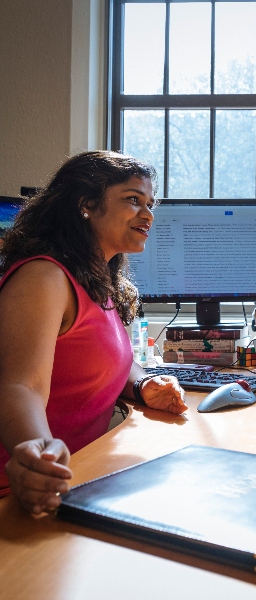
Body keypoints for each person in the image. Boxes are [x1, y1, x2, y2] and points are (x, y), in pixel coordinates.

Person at [0, 150, 187, 514]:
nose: (148, 215)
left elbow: (106, 358)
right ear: (86, 204)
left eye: (150, 204)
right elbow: (19, 385)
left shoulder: (100, 282)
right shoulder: (45, 276)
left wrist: (143, 384)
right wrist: (38, 456)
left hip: (81, 480)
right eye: (133, 200)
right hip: (28, 491)